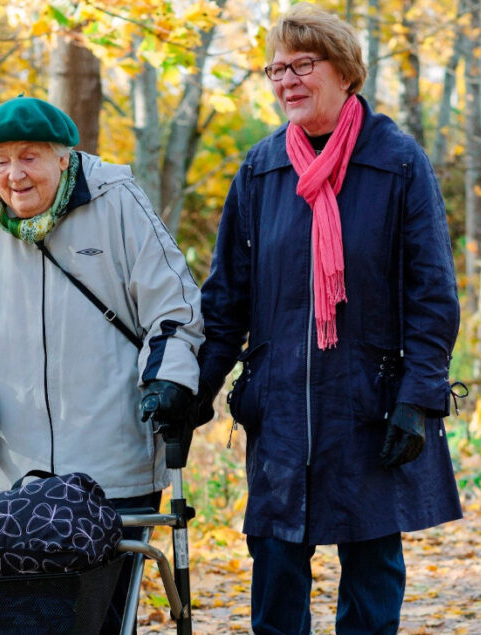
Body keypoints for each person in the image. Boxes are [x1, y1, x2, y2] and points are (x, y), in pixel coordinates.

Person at [198, 4, 462, 633]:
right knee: (276, 558)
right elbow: (226, 297)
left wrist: (418, 398)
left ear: (345, 72)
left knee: (372, 561)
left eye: (303, 65)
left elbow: (433, 291)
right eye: (276, 68)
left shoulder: (396, 160)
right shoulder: (261, 169)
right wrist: (194, 390)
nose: (286, 79)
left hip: (369, 401)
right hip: (281, 404)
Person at [0, 96, 206, 632]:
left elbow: (175, 310)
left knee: (104, 613)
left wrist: (170, 381)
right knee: (30, 613)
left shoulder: (117, 201)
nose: (13, 175)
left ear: (63, 157)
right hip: (21, 467)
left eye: (29, 157)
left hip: (114, 457)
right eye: (0, 160)